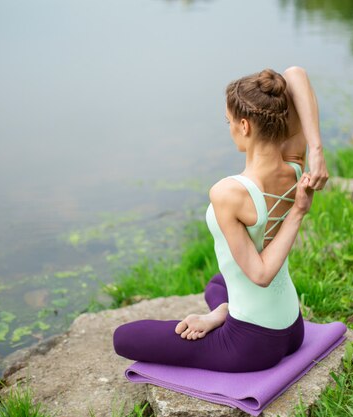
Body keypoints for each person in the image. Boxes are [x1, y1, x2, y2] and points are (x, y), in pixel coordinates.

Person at [113, 66, 329, 372]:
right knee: (216, 284)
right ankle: (223, 311)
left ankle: (226, 316)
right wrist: (317, 150)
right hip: (293, 329)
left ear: (244, 125)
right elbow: (295, 74)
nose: (228, 128)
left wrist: (298, 213)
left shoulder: (228, 192)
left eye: (228, 121)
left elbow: (261, 275)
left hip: (252, 344)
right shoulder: (295, 166)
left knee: (124, 337)